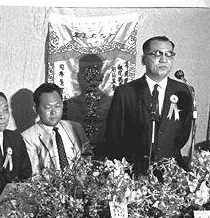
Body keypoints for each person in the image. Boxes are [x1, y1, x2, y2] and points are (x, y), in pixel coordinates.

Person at [104, 36, 193, 173]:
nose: (164, 59)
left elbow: (183, 133)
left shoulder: (183, 91)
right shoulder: (126, 92)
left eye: (169, 54)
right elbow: (114, 135)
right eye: (157, 54)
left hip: (171, 171)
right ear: (143, 59)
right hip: (134, 171)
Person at [21, 83, 92, 172]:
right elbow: (34, 173)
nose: (53, 112)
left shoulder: (76, 127)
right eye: (48, 108)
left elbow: (88, 157)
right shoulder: (27, 138)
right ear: (36, 109)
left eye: (57, 106)